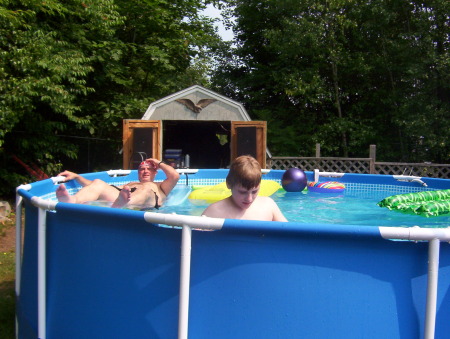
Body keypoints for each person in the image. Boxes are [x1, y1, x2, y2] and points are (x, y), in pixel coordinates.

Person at [55, 158, 179, 209]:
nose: (145, 171)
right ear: (138, 173)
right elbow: (98, 187)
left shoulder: (160, 186)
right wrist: (76, 176)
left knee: (146, 189)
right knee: (98, 182)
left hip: (148, 201)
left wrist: (157, 162)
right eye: (142, 169)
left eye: (149, 169)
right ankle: (72, 200)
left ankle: (123, 203)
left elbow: (174, 176)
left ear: (155, 172)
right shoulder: (130, 184)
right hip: (122, 198)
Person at [202, 155, 287, 221]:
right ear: (229, 184)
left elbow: (289, 235)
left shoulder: (268, 206)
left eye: (254, 192)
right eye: (242, 192)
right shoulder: (214, 212)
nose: (249, 199)